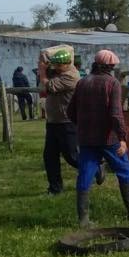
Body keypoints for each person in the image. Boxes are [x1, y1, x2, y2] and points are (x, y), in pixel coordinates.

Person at [67, 49, 129, 227]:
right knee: (124, 169)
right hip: (109, 138)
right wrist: (123, 138)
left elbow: (70, 112)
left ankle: (83, 219)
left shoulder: (82, 83)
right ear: (110, 67)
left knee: (85, 174)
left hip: (86, 138)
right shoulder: (112, 83)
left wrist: (83, 126)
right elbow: (116, 114)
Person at [38, 48, 81, 195]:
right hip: (53, 122)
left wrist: (42, 71)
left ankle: (94, 168)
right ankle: (55, 188)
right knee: (50, 157)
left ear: (67, 64)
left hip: (67, 122)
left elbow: (47, 86)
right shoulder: (60, 72)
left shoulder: (71, 76)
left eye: (57, 65)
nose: (54, 68)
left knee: (71, 156)